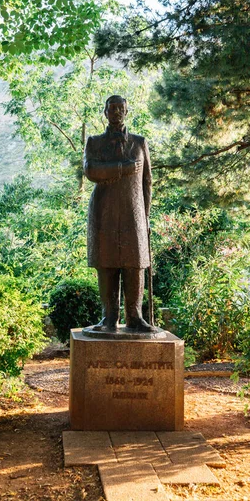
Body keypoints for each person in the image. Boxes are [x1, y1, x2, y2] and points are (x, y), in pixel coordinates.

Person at [83, 94, 155, 332]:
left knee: (135, 264)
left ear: (127, 111)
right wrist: (121, 168)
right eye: (111, 108)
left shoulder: (139, 142)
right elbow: (91, 170)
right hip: (104, 212)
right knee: (107, 263)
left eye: (120, 108)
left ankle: (135, 318)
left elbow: (147, 183)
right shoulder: (94, 142)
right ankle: (109, 317)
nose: (116, 112)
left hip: (134, 213)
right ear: (104, 112)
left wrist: (144, 216)